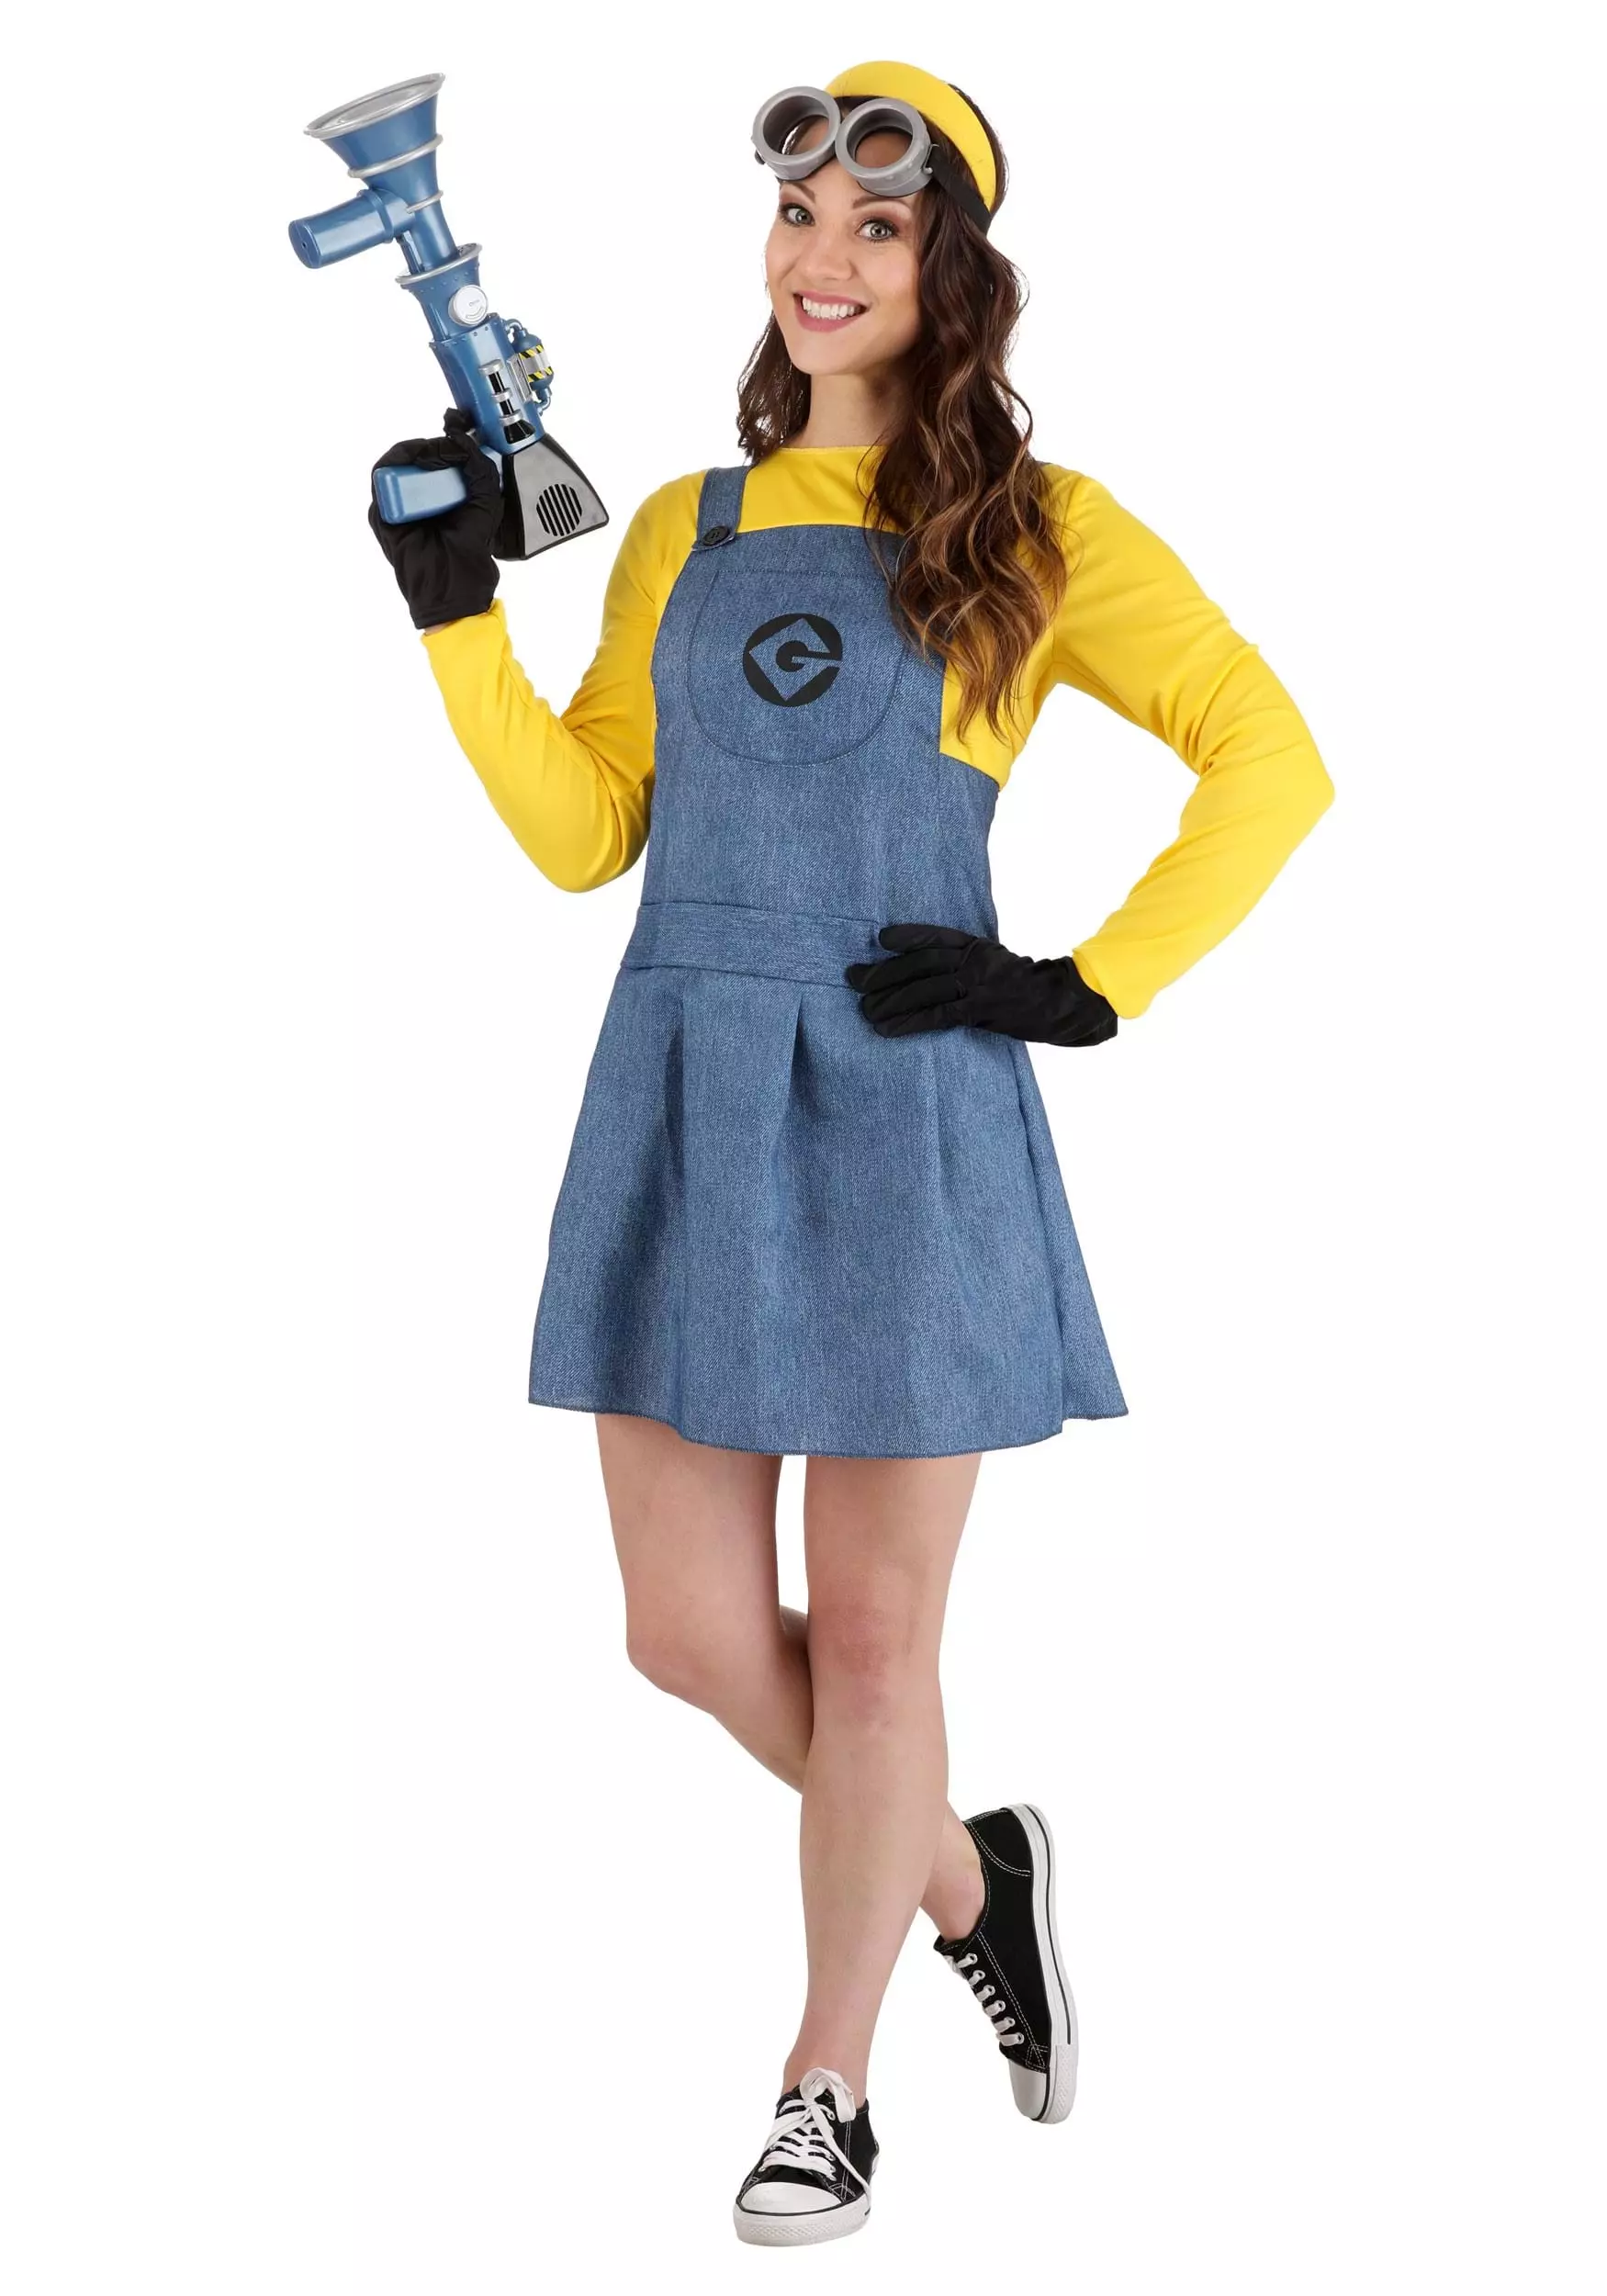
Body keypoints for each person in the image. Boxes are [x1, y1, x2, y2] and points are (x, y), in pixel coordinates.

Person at [366, 60, 1333, 2246]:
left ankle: (824, 2084)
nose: (821, 257)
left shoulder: (1038, 527)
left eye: (875, 227)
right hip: (684, 1088)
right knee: (688, 1632)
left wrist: (1079, 983)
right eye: (799, 215)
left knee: (880, 1643)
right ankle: (970, 1877)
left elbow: (1268, 755)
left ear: (948, 272)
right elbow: (586, 834)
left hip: (907, 1099)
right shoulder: (683, 530)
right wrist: (452, 621)